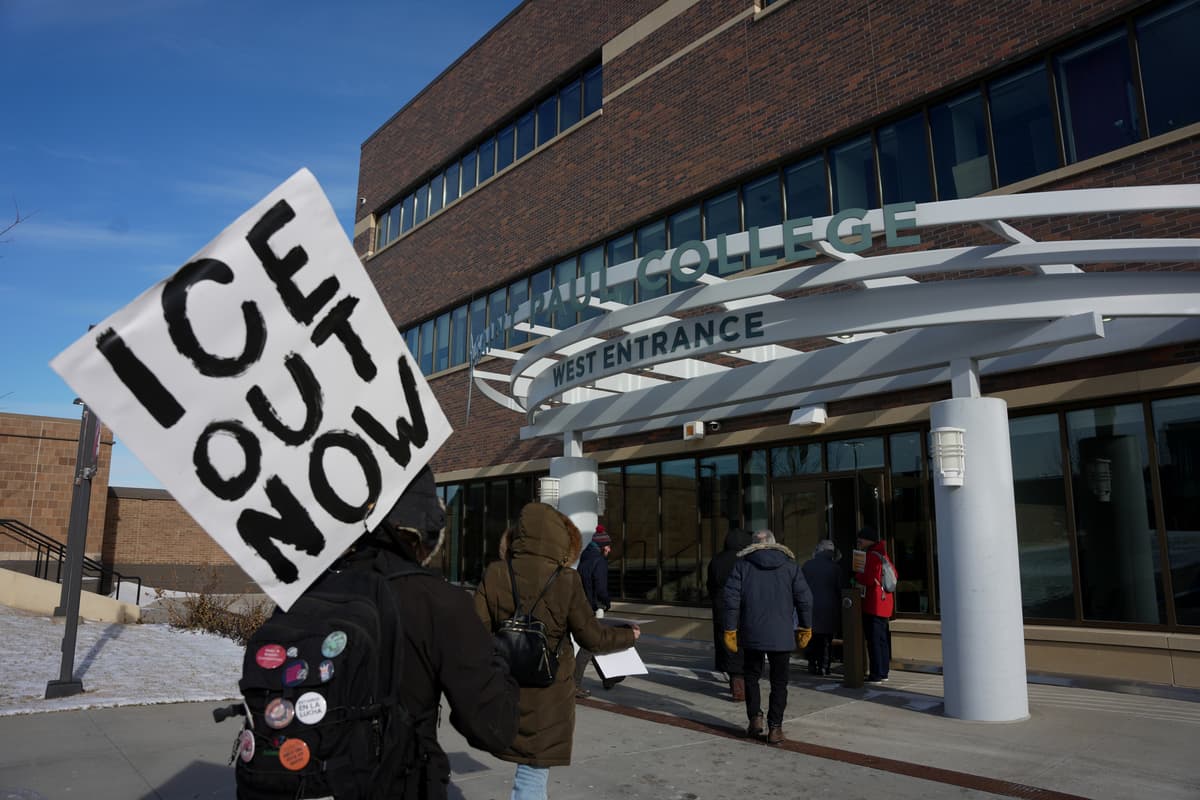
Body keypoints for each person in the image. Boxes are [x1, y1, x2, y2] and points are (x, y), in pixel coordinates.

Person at [355, 466, 520, 799]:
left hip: (314, 775)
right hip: (400, 779)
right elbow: (493, 727)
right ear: (426, 534)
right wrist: (500, 663)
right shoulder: (440, 601)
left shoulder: (316, 588)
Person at [475, 503, 639, 800]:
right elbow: (593, 637)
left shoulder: (495, 574)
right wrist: (629, 635)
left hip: (505, 686)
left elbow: (476, 632)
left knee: (528, 773)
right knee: (533, 772)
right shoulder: (565, 579)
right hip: (548, 691)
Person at [723, 529, 813, 745]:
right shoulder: (791, 567)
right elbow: (805, 599)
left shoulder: (742, 566)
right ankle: (775, 728)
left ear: (753, 544)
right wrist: (805, 626)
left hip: (752, 632)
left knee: (752, 677)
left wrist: (730, 629)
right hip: (781, 635)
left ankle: (755, 719)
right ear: (774, 543)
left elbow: (730, 599)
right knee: (779, 682)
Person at [573, 524, 620, 697]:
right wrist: (606, 602)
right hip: (595, 607)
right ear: (601, 547)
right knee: (590, 645)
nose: (610, 548)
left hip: (583, 605)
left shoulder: (584, 558)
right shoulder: (599, 561)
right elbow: (600, 587)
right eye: (607, 545)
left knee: (594, 642)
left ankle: (608, 676)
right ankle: (575, 683)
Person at [706, 526, 752, 701]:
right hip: (742, 608)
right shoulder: (746, 560)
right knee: (745, 644)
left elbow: (710, 585)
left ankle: (736, 682)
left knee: (728, 643)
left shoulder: (717, 560)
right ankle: (742, 684)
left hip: (722, 609)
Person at [854, 525, 897, 683]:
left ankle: (876, 674)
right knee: (882, 640)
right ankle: (883, 672)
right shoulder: (883, 554)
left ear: (868, 540)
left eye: (861, 538)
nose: (859, 541)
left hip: (874, 604)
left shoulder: (871, 556)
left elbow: (868, 579)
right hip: (885, 603)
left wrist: (857, 576)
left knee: (874, 641)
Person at [801, 539, 843, 676]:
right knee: (826, 640)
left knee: (812, 638)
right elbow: (840, 589)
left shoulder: (807, 565)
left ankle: (812, 664)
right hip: (829, 607)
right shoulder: (835, 568)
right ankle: (824, 667)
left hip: (811, 607)